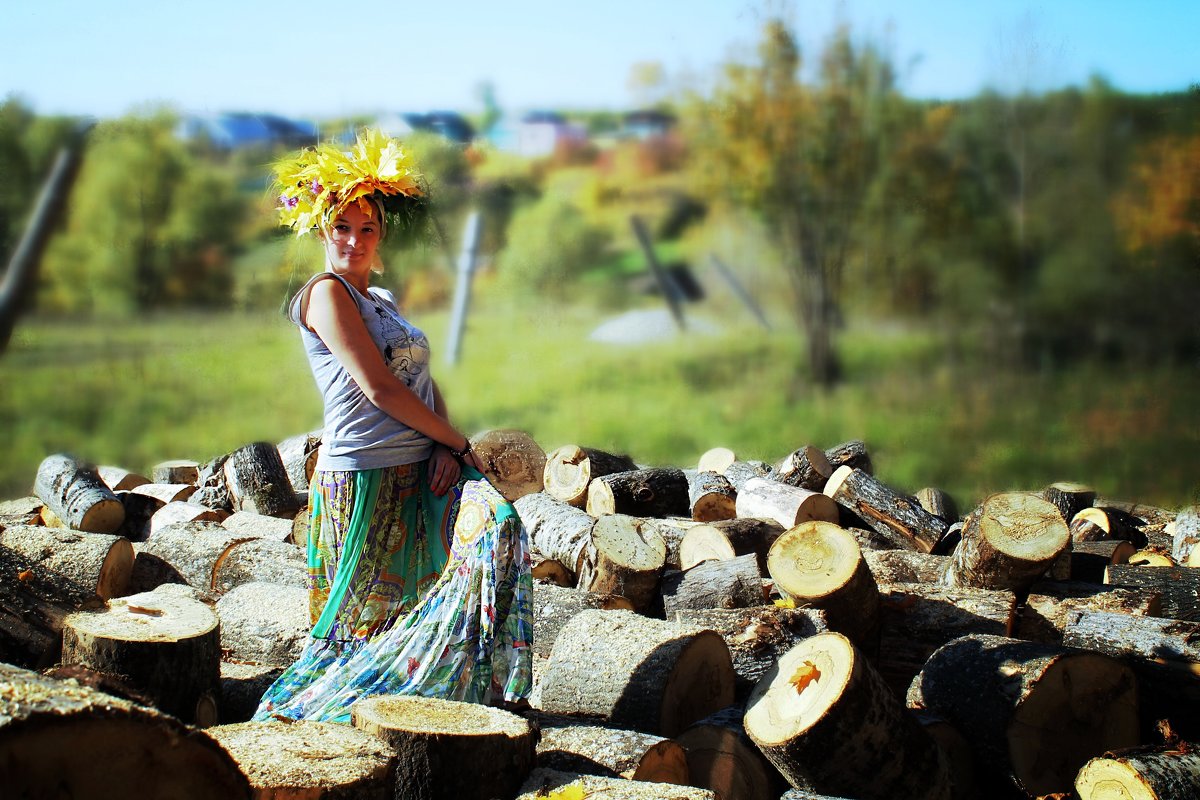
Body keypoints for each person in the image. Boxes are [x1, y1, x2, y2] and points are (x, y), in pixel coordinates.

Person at [252, 130, 532, 723]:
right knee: (363, 622)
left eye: (367, 228)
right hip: (365, 475)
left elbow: (422, 381)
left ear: (381, 237)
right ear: (322, 232)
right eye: (342, 228)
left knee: (489, 539)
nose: (354, 239)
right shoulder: (325, 295)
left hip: (421, 466)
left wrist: (447, 448)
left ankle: (433, 703)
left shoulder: (379, 297)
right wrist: (458, 443)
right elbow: (377, 388)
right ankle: (314, 722)